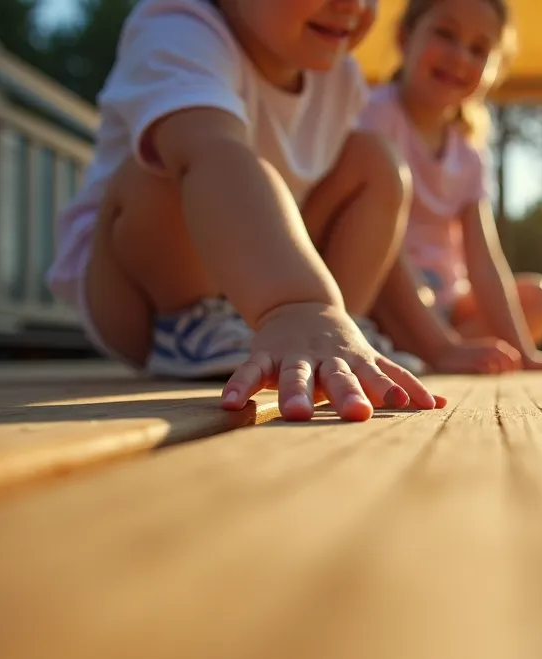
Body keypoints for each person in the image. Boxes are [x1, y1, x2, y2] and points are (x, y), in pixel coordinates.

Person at [44, 0, 442, 422]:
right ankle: (194, 321)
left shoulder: (339, 76)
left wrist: (437, 342)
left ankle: (330, 334)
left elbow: (381, 241)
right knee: (175, 155)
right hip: (136, 298)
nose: (351, 6)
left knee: (374, 160)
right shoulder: (177, 28)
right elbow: (213, 155)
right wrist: (301, 304)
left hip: (262, 282)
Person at [359, 0, 542, 374]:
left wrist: (523, 352)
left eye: (479, 49)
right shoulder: (376, 114)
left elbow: (483, 257)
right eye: (445, 34)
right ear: (404, 37)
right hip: (380, 293)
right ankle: (431, 347)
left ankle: (434, 346)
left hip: (444, 303)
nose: (460, 56)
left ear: (496, 69)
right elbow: (370, 240)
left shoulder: (470, 150)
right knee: (384, 264)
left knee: (541, 300)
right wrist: (442, 343)